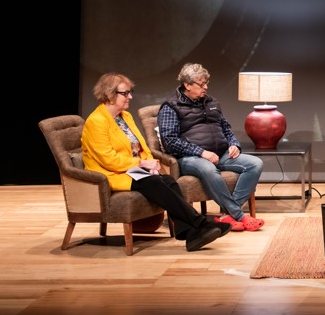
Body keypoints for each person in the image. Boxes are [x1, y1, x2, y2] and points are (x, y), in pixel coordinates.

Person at [81, 73, 230, 252]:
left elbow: (141, 146)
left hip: (131, 170)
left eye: (130, 92)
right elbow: (108, 159)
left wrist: (151, 162)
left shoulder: (124, 117)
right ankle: (200, 224)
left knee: (168, 181)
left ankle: (190, 234)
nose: (130, 96)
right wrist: (142, 165)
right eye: (125, 93)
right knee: (153, 182)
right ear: (109, 95)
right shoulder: (96, 122)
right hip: (111, 174)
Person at [158, 63, 265, 232]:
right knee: (208, 169)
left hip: (221, 153)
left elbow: (226, 127)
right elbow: (169, 140)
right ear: (187, 85)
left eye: (206, 83)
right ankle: (240, 215)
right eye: (201, 84)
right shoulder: (171, 106)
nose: (206, 87)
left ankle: (229, 216)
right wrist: (201, 152)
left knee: (255, 163)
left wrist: (233, 144)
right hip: (190, 158)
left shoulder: (212, 102)